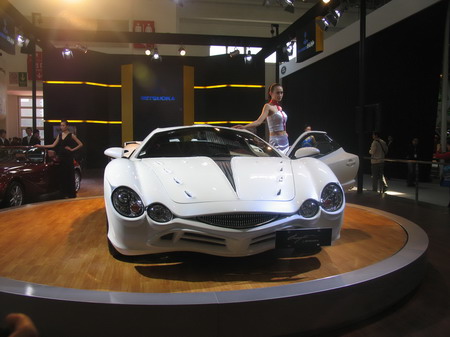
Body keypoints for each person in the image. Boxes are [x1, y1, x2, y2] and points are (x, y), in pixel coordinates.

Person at [233, 83, 289, 153]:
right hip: (276, 141)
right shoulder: (268, 106)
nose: (280, 95)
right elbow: (258, 122)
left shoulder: (279, 108)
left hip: (285, 140)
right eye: (277, 93)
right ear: (271, 93)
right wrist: (245, 127)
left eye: (281, 92)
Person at [36, 120, 83, 198]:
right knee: (62, 176)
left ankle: (70, 194)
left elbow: (81, 144)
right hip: (61, 157)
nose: (62, 127)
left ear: (67, 126)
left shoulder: (71, 135)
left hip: (68, 157)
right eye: (61, 125)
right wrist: (41, 146)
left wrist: (72, 149)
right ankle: (63, 193)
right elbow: (53, 145)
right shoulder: (59, 135)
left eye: (63, 125)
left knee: (69, 175)